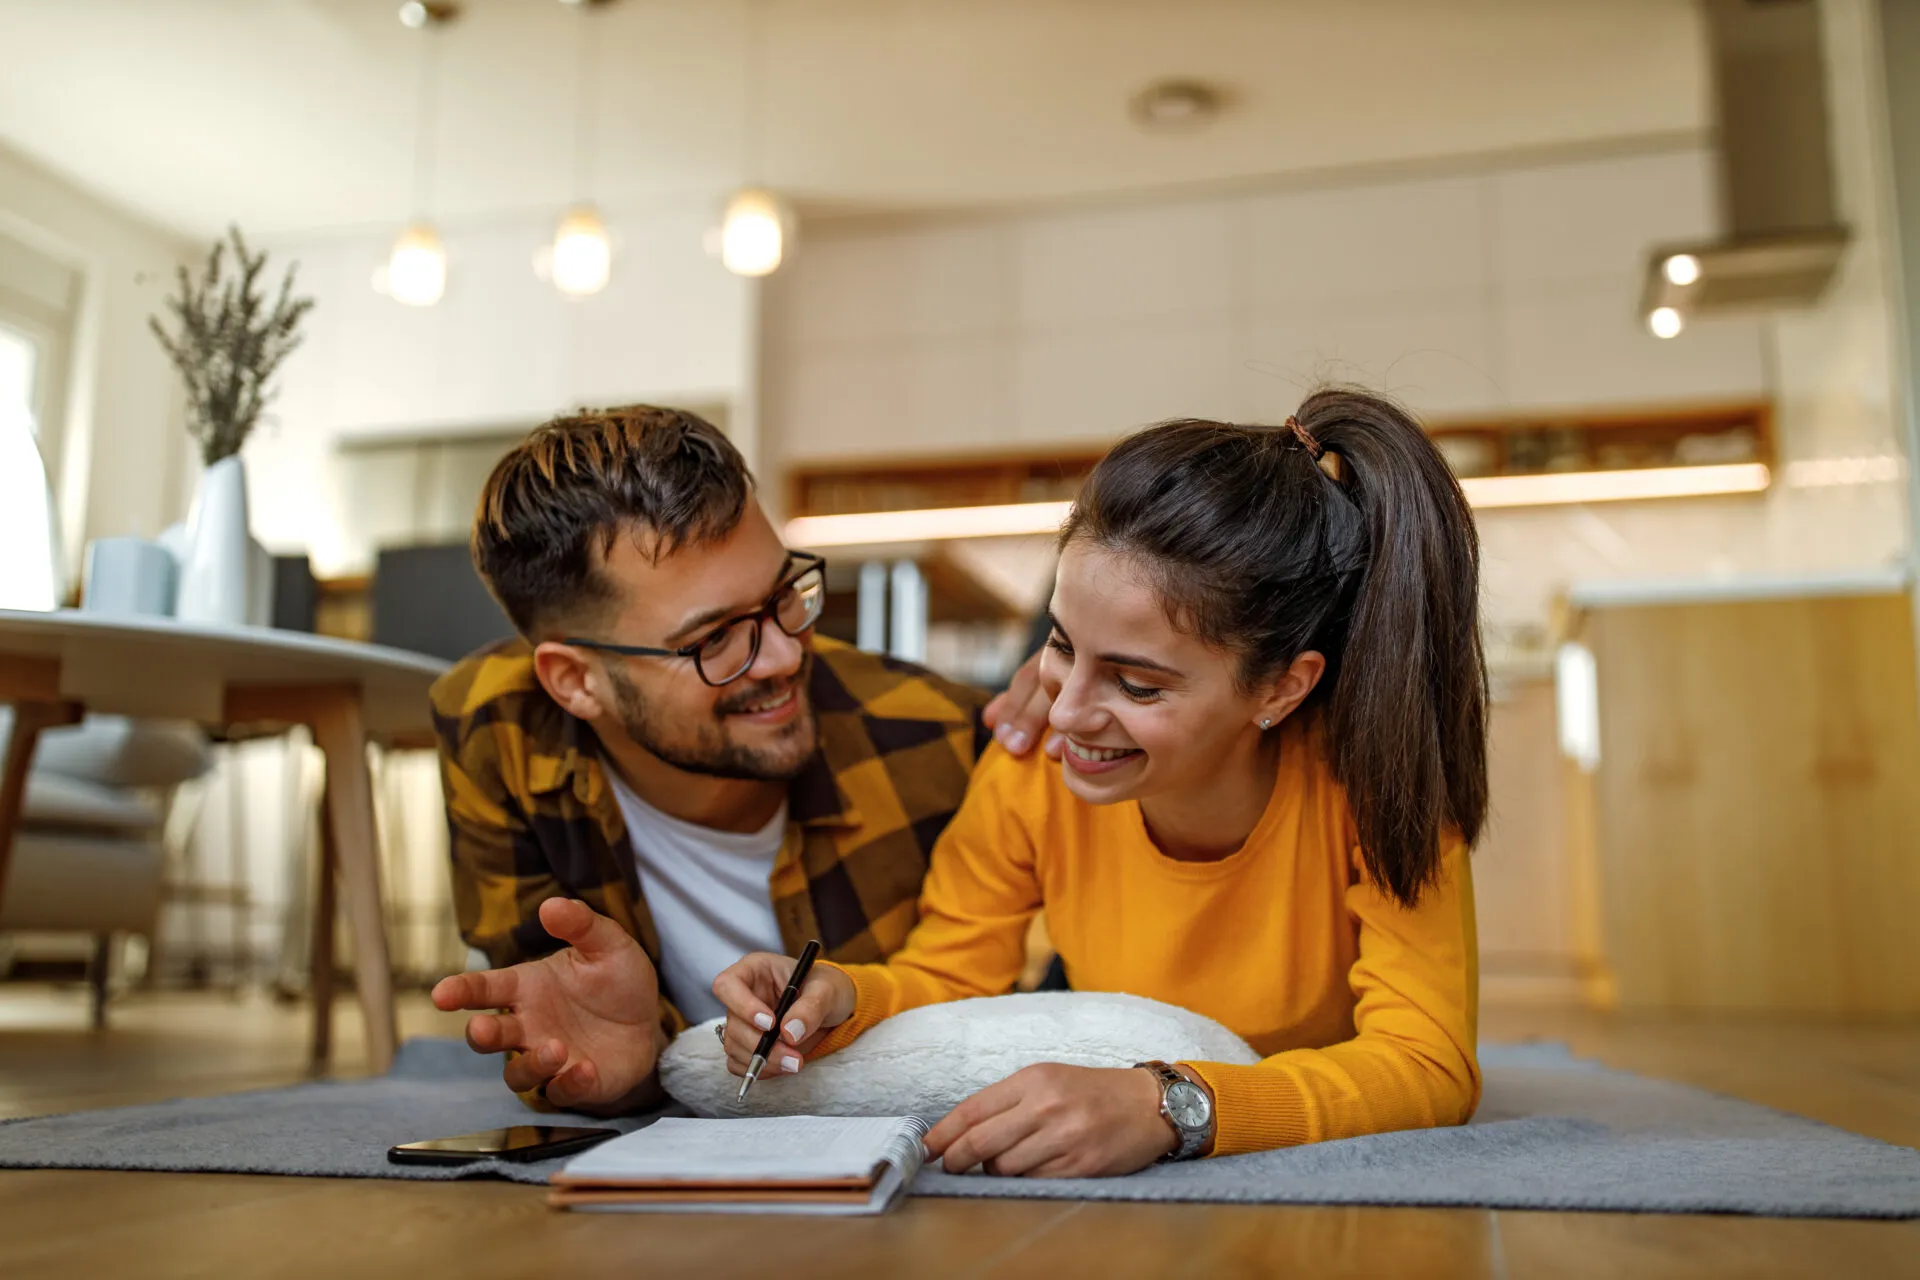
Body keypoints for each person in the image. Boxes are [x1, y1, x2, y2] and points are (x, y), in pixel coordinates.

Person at [712, 387, 1488, 1176]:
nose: (1069, 712)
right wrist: (839, 1000)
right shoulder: (1029, 768)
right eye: (1059, 644)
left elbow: (1427, 1065)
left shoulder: (1376, 791)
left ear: (1281, 689)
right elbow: (951, 973)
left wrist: (1169, 1105)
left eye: (1137, 685)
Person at [425, 405, 1052, 1113]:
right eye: (715, 639)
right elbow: (559, 1017)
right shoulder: (494, 728)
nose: (786, 655)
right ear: (575, 682)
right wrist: (629, 1066)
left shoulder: (938, 735)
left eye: (785, 595)